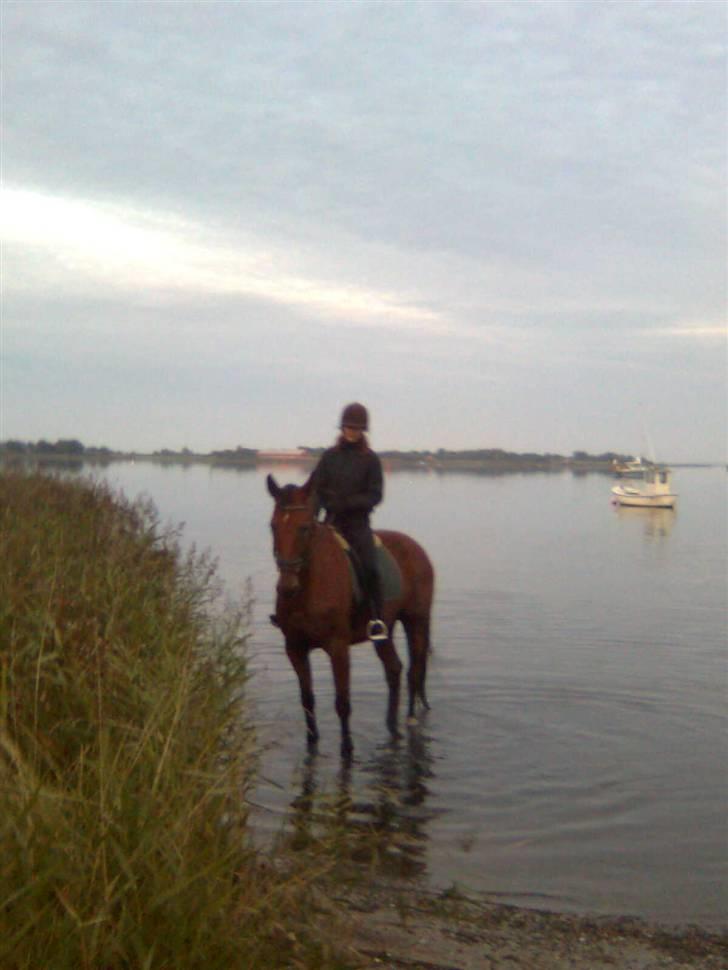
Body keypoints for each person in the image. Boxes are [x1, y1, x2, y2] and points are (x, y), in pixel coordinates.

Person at [310, 402, 388, 641]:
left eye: (356, 428)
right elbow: (315, 488)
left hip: (357, 525)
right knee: (296, 556)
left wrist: (348, 503)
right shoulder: (329, 457)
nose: (351, 431)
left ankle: (376, 619)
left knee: (370, 567)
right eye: (348, 427)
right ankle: (289, 611)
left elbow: (375, 495)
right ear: (342, 428)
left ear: (362, 430)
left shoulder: (370, 460)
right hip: (331, 523)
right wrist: (312, 515)